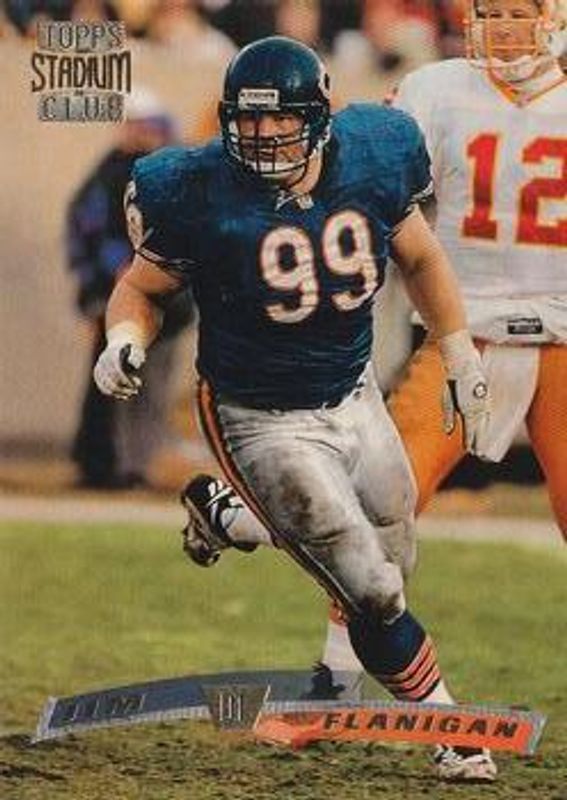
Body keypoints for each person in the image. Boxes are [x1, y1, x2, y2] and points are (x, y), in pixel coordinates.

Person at [93, 36, 495, 781]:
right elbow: (141, 288)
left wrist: (460, 353)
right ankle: (449, 726)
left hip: (353, 391)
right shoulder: (194, 187)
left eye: (282, 119)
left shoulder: (373, 155)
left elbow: (420, 256)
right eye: (250, 121)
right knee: (372, 589)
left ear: (319, 117)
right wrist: (124, 339)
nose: (266, 135)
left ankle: (228, 518)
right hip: (257, 416)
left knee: (394, 557)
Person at [181, 0, 566, 749]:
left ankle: (234, 516)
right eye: (489, 10)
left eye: (518, 11)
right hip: (467, 333)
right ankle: (332, 688)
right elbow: (342, 156)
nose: (501, 26)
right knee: (374, 516)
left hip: (564, 338)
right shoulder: (436, 90)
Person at [68, 88, 192, 488]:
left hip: (165, 300)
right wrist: (100, 285)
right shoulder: (110, 177)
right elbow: (89, 235)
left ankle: (137, 463)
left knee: (151, 385)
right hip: (121, 296)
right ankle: (108, 463)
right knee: (116, 380)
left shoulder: (168, 174)